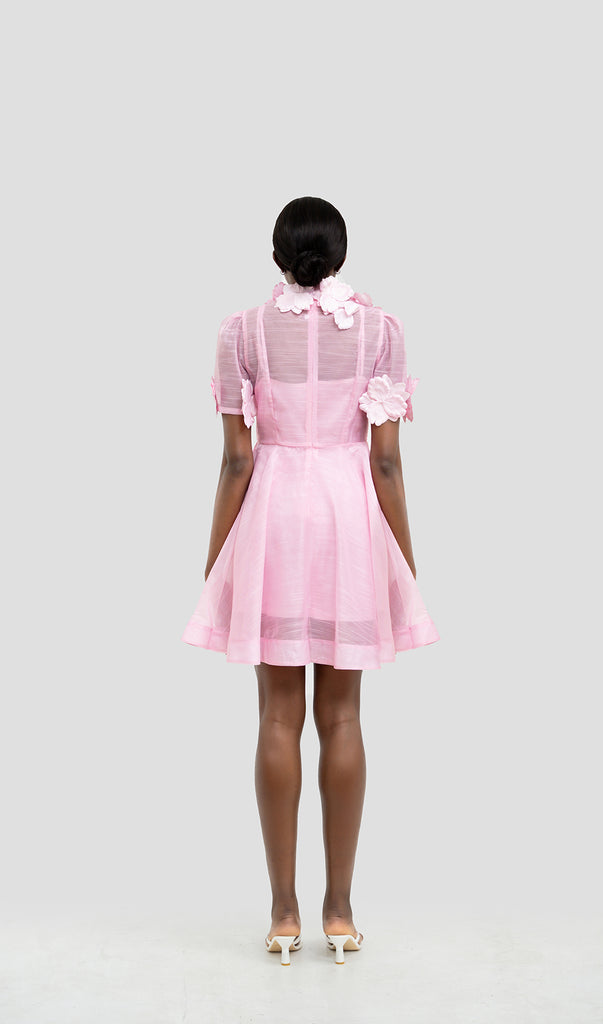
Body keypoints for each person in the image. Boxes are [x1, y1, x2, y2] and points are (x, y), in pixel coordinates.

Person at [181, 196, 440, 965]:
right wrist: (403, 559)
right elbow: (385, 462)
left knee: (274, 718)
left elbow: (236, 458)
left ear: (276, 256)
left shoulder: (241, 332)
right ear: (341, 255)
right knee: (344, 718)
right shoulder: (382, 330)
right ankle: (341, 912)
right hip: (349, 523)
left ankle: (282, 913)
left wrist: (215, 557)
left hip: (273, 520)